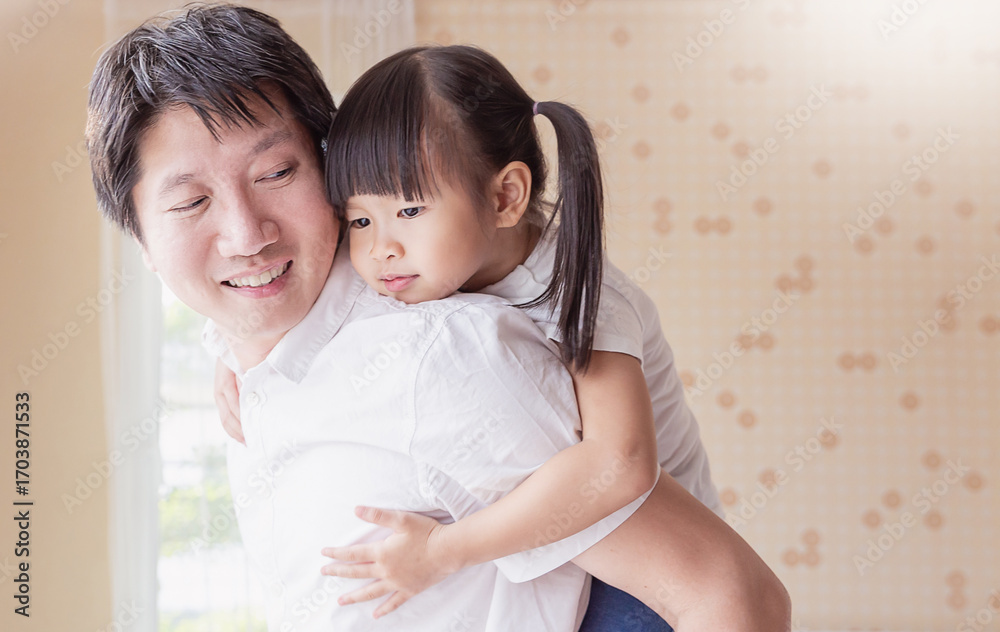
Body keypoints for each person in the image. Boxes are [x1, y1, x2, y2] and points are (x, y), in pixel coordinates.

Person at [87, 4, 790, 632]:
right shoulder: (280, 333)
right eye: (190, 203)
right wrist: (228, 348)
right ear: (140, 238)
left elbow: (711, 571)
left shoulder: (449, 352)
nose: (247, 237)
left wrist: (446, 551)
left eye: (276, 173)